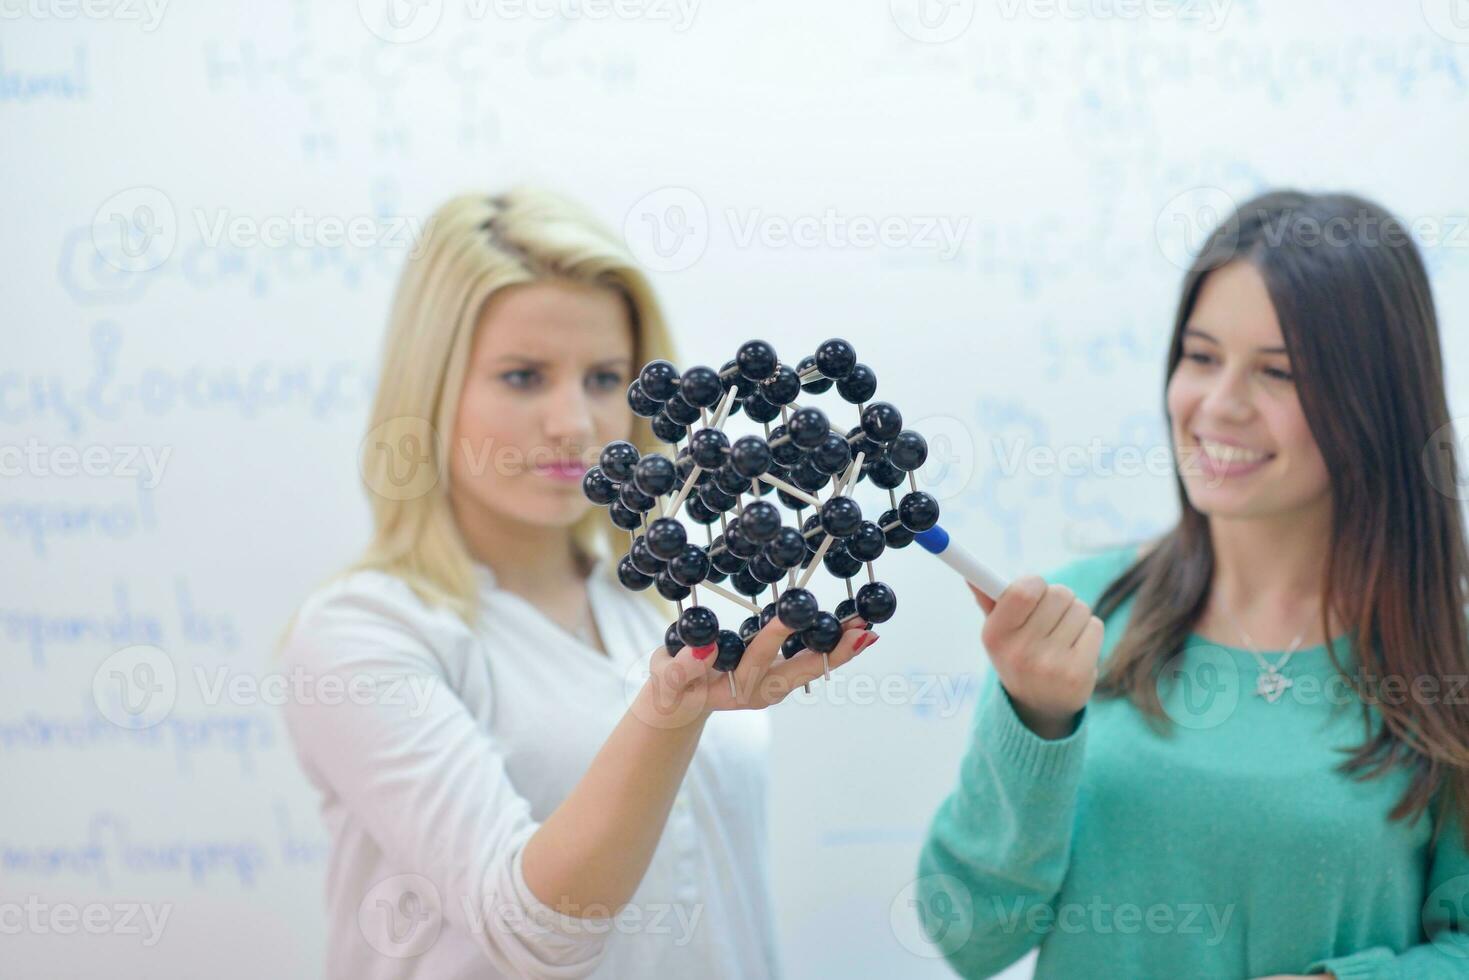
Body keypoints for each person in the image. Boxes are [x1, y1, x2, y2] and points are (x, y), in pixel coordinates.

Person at [280, 188, 875, 979]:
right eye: (523, 377)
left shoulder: (662, 604)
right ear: (432, 388)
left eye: (603, 378)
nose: (573, 423)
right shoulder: (366, 633)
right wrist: (666, 715)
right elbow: (535, 936)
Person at [916, 190, 1469, 979]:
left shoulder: (1446, 656)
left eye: (1277, 373)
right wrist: (1037, 719)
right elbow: (968, 939)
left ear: (1374, 400)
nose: (1217, 406)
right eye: (1201, 357)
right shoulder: (1074, 619)